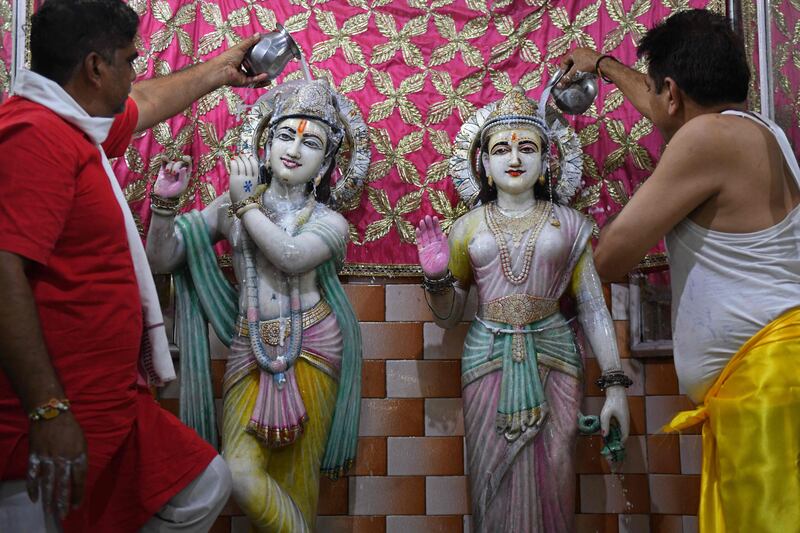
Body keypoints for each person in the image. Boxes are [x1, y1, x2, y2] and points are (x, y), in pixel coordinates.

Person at [0, 0, 270, 531]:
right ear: (96, 68)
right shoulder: (34, 136)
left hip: (111, 406)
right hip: (45, 416)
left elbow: (142, 103)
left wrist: (221, 70)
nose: (135, 72)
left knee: (203, 483)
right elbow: (3, 272)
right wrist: (48, 410)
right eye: (130, 60)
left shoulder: (74, 123)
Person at [561, 9, 800, 532]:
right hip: (773, 380)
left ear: (674, 91)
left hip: (768, 387)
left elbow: (612, 256)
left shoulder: (704, 140)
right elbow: (662, 105)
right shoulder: (764, 131)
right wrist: (602, 65)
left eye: (658, 89)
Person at [145, 79, 362, 532]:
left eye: (311, 143)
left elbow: (290, 255)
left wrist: (245, 207)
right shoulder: (232, 205)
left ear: (324, 164)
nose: (295, 149)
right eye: (285, 136)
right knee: (239, 473)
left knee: (299, 481)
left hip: (315, 343)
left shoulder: (329, 221)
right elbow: (162, 259)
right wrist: (165, 205)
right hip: (251, 346)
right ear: (264, 146)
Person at [415, 86, 630, 532]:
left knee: (555, 471)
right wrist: (436, 278)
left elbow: (591, 305)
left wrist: (614, 386)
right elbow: (449, 315)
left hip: (555, 353)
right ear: (486, 167)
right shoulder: (467, 227)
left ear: (547, 162)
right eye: (501, 150)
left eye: (527, 148)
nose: (514, 158)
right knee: (490, 475)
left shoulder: (570, 224)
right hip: (486, 357)